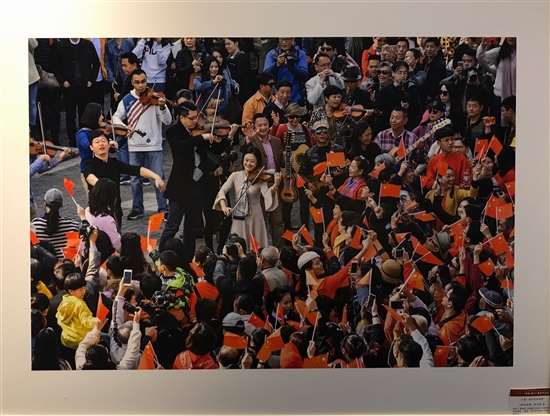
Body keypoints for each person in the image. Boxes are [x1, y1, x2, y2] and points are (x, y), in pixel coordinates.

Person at [159, 101, 230, 260]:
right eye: (191, 118)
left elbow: (215, 149)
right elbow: (179, 147)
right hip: (180, 186)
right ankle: (161, 255)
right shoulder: (173, 131)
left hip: (198, 185)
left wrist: (229, 137)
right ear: (182, 118)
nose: (195, 121)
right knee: (172, 225)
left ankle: (189, 257)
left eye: (196, 117)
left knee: (191, 227)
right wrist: (200, 138)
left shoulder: (200, 131)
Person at [112, 69, 171, 220]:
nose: (141, 85)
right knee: (135, 179)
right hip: (134, 146)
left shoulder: (156, 98)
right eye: (137, 82)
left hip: (154, 145)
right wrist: (125, 127)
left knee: (158, 177)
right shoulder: (127, 99)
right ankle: (137, 208)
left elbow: (167, 121)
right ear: (132, 83)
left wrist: (163, 107)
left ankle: (164, 208)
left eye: (143, 82)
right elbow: (116, 117)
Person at [83, 130, 166, 229]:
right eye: (97, 142)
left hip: (115, 208)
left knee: (117, 235)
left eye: (103, 141)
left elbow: (136, 170)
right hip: (98, 211)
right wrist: (104, 187)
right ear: (91, 147)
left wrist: (156, 176)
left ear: (109, 145)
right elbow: (89, 177)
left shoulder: (114, 163)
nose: (101, 144)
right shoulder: (90, 164)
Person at [214, 146, 281, 248]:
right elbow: (222, 191)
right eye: (246, 160)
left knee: (256, 248)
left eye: (252, 161)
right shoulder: (235, 176)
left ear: (257, 163)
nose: (248, 163)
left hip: (255, 218)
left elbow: (267, 195)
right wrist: (223, 206)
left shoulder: (259, 178)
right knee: (237, 246)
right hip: (239, 218)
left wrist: (275, 185)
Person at [239, 114, 285, 247]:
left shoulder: (276, 141)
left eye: (265, 124)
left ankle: (279, 249)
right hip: (258, 184)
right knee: (260, 220)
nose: (263, 127)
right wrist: (249, 138)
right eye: (259, 125)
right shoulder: (251, 140)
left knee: (278, 221)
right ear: (254, 127)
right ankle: (259, 250)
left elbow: (278, 161)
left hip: (275, 184)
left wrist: (286, 158)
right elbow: (243, 148)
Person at [51, 38, 100, 147]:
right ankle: (72, 142)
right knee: (70, 115)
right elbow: (55, 66)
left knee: (84, 115)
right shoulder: (62, 45)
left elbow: (96, 63)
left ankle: (84, 140)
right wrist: (63, 80)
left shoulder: (88, 45)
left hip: (85, 86)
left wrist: (91, 80)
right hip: (70, 87)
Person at [31, 188, 79, 259]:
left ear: (45, 203)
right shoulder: (72, 225)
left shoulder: (34, 226)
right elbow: (73, 251)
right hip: (67, 264)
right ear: (61, 204)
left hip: (46, 265)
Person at [264, 37, 309, 104]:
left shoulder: (300, 53)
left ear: (292, 40)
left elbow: (304, 76)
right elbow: (265, 76)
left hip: (295, 98)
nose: (284, 42)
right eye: (282, 39)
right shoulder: (271, 54)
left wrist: (291, 67)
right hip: (276, 97)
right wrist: (276, 65)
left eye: (287, 39)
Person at [224, 38, 253, 105]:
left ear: (236, 43)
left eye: (229, 44)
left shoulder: (242, 57)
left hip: (243, 93)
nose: (227, 46)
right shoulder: (228, 58)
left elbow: (238, 75)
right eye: (225, 44)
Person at [421, 37, 448, 105]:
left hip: (432, 98)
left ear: (437, 48)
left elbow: (437, 85)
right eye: (427, 46)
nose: (429, 49)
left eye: (432, 47)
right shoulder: (423, 61)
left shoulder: (440, 65)